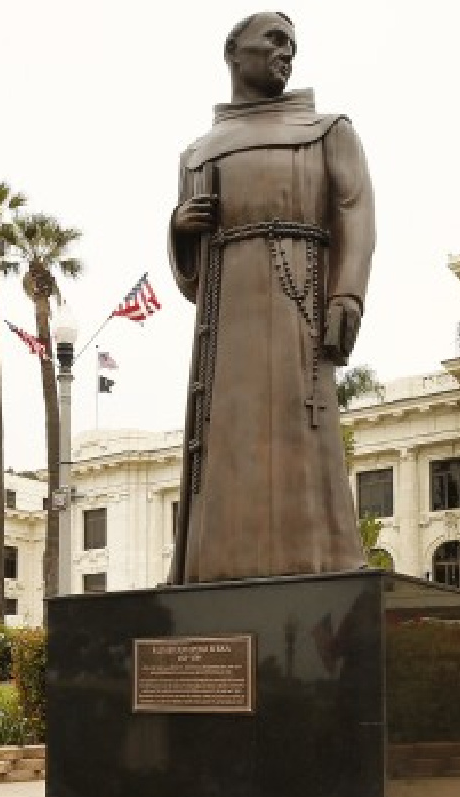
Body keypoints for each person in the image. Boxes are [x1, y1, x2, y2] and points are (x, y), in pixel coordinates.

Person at [168, 11, 377, 584]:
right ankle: (215, 574)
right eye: (275, 40)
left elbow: (356, 213)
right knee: (224, 443)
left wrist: (348, 297)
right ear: (235, 51)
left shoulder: (329, 130)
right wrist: (182, 230)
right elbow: (192, 283)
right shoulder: (197, 154)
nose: (287, 52)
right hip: (226, 326)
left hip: (297, 313)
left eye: (293, 44)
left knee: (300, 445)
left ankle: (313, 568)